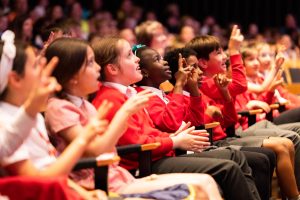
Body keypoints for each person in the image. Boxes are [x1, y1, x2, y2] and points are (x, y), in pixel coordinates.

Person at [44, 37, 222, 200]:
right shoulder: (105, 99)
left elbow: (145, 134)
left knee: (208, 180)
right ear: (73, 75)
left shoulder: (91, 104)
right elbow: (99, 150)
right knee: (204, 183)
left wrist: (174, 137)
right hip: (103, 182)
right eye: (90, 63)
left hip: (120, 175)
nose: (97, 67)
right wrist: (173, 140)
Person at [91, 36, 262, 200]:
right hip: (147, 163)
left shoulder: (129, 94)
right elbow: (143, 139)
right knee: (230, 166)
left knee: (240, 159)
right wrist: (175, 140)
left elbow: (187, 124)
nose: (136, 59)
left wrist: (174, 137)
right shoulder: (117, 98)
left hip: (165, 153)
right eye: (129, 55)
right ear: (112, 69)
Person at [186, 25, 300, 199]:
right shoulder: (206, 84)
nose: (224, 57)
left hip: (235, 128)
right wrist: (234, 50)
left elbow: (231, 118)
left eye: (223, 52)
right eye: (218, 53)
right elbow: (241, 86)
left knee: (287, 142)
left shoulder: (216, 81)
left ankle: (291, 193)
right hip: (227, 134)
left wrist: (225, 95)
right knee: (282, 145)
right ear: (202, 63)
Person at [0, 30, 109, 199]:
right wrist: (83, 139)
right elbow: (41, 182)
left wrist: (82, 193)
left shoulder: (30, 115)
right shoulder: (6, 121)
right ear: (15, 79)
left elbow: (52, 165)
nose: (43, 70)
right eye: (36, 65)